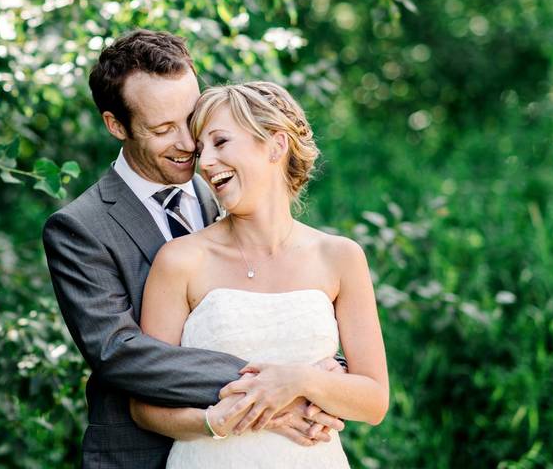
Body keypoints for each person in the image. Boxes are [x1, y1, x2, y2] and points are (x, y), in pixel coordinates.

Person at [42, 31, 347, 469]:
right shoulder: (80, 228)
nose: (189, 144)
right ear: (117, 125)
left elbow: (272, 293)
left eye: (192, 118)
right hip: (139, 455)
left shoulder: (226, 184)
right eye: (163, 129)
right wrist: (272, 383)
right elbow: (119, 351)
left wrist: (317, 368)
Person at [129, 81, 389, 468]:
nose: (205, 162)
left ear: (276, 145)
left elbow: (373, 401)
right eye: (202, 151)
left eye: (220, 142)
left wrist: (300, 381)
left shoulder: (340, 257)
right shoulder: (180, 260)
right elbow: (145, 406)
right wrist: (216, 422)